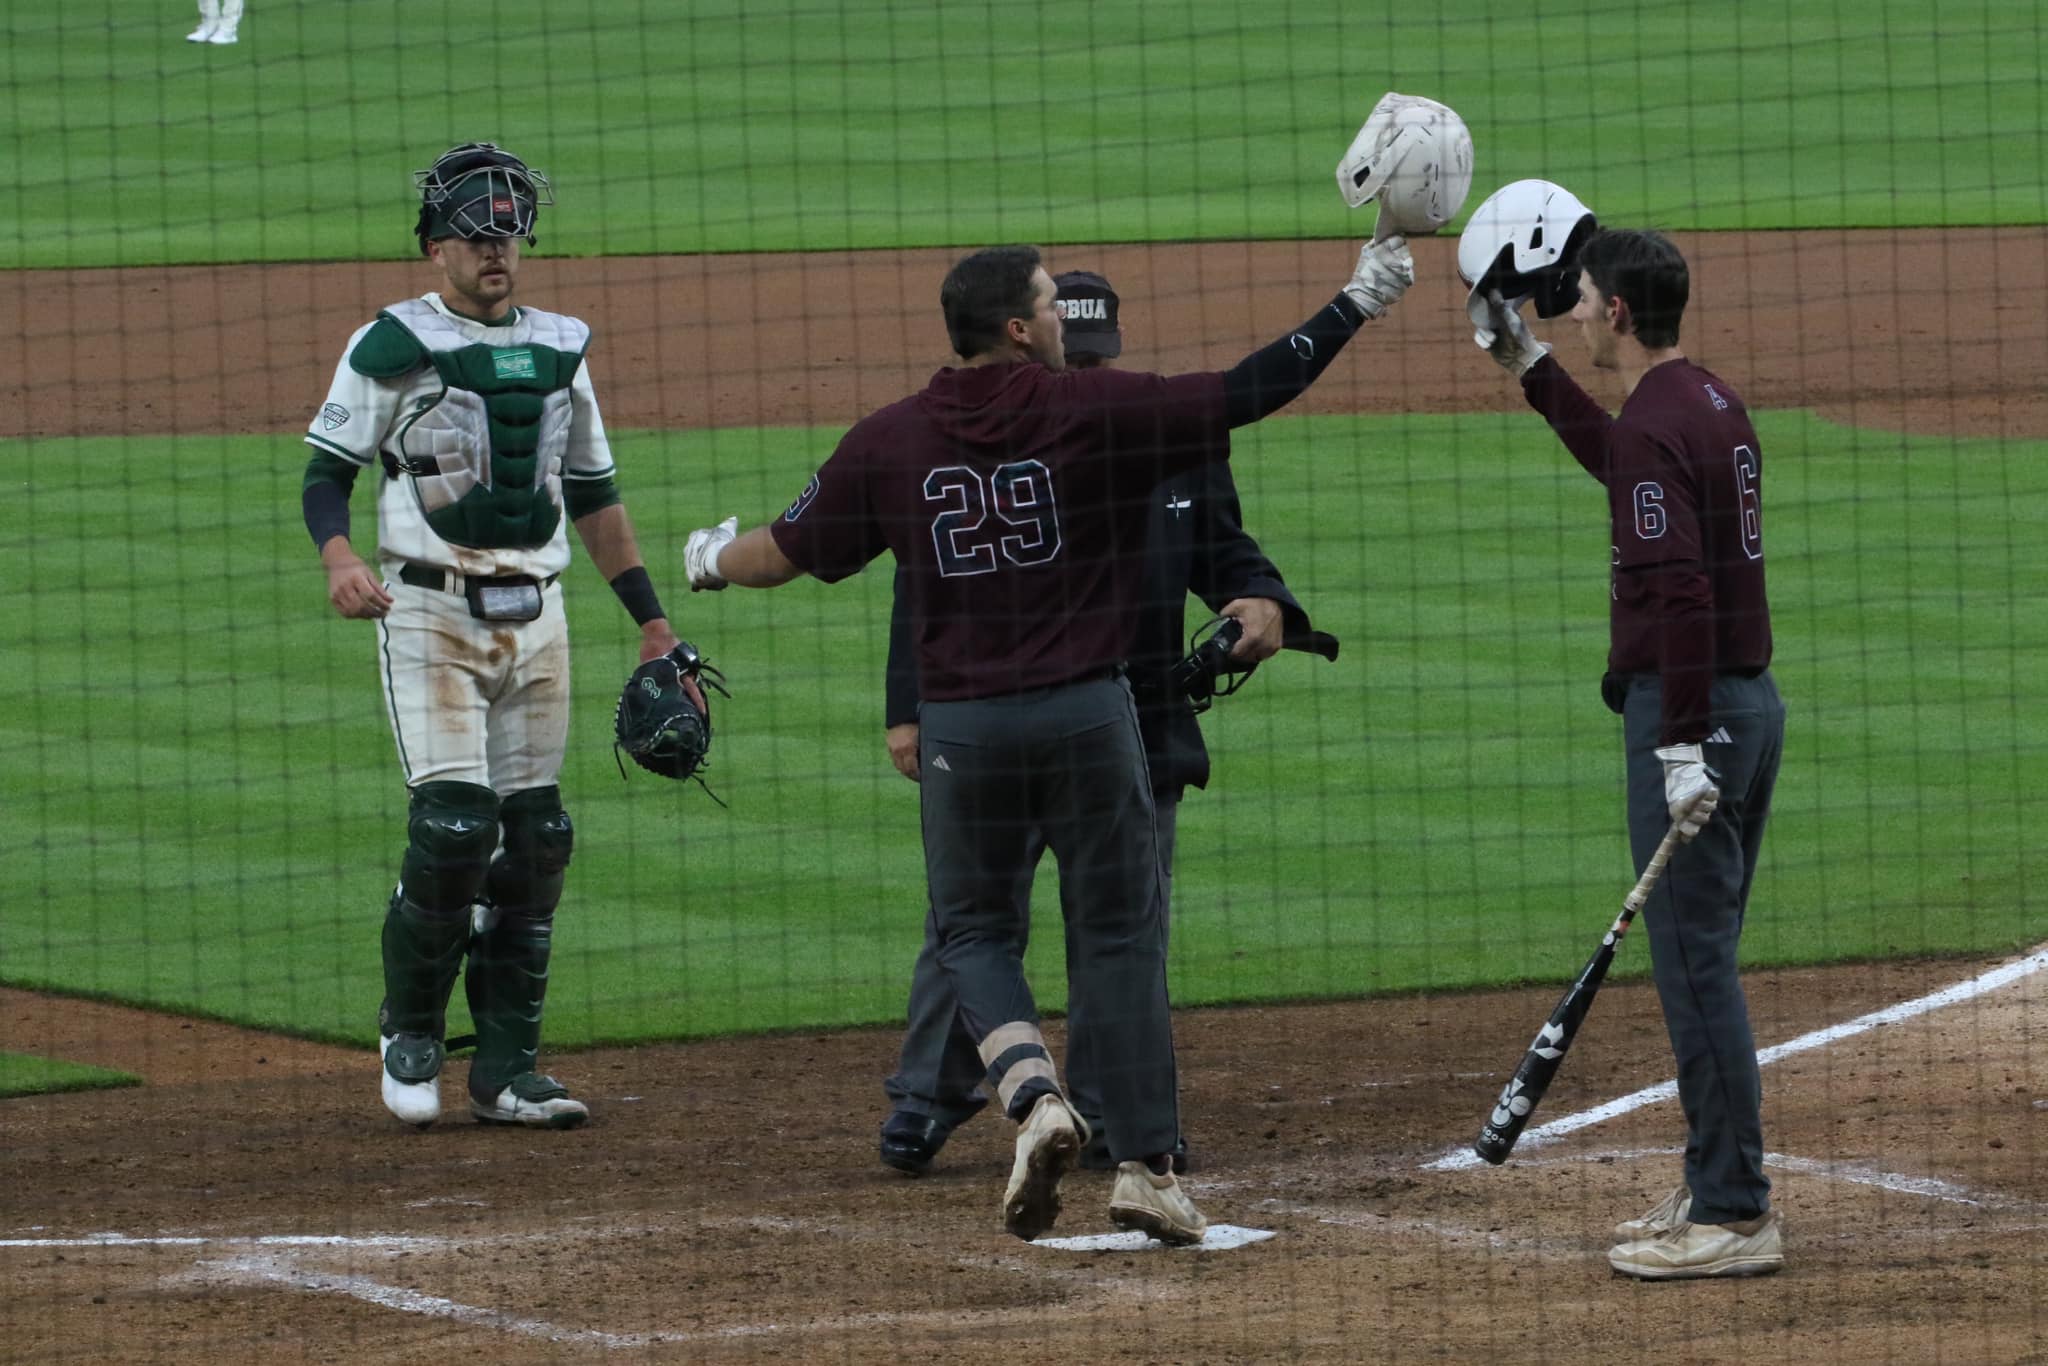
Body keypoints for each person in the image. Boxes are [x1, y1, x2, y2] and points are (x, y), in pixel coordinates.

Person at [681, 238, 1412, 1243]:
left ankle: (1032, 1098)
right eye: (1049, 309)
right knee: (1116, 931)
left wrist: (706, 563)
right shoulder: (1089, 413)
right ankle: (1147, 1166)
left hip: (963, 735)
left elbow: (781, 553)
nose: (1065, 325)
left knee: (972, 931)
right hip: (1087, 719)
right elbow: (1250, 387)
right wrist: (1356, 300)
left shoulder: (889, 439)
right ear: (1019, 328)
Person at [874, 268, 1339, 1180]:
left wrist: (1264, 601)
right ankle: (927, 1102)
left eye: (1092, 360)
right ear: (1027, 342)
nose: (1078, 377)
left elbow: (1225, 547)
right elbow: (921, 584)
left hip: (1139, 718)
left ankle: (1106, 1109)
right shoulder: (987, 445)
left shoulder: (1161, 430)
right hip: (1008, 712)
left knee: (1121, 929)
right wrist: (906, 708)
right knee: (969, 926)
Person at [301, 143, 688, 1131]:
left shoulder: (561, 344)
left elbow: (593, 493)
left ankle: (509, 1068)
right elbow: (324, 471)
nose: (496, 251)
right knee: (453, 828)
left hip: (540, 613)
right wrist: (340, 557)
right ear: (435, 248)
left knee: (537, 841)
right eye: (477, 236)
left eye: (508, 234)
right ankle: (413, 1027)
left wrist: (651, 620)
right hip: (426, 609)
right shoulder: (390, 343)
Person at [1471, 222, 1785, 1280]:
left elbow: (1676, 589)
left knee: (1694, 971)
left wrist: (1678, 742)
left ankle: (1734, 1212)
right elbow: (1624, 474)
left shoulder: (1656, 424)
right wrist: (1528, 368)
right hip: (1752, 703)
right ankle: (1713, 1178)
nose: (1569, 305)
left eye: (1580, 296)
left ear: (1615, 310)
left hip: (1695, 712)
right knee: (1707, 961)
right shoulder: (1706, 402)